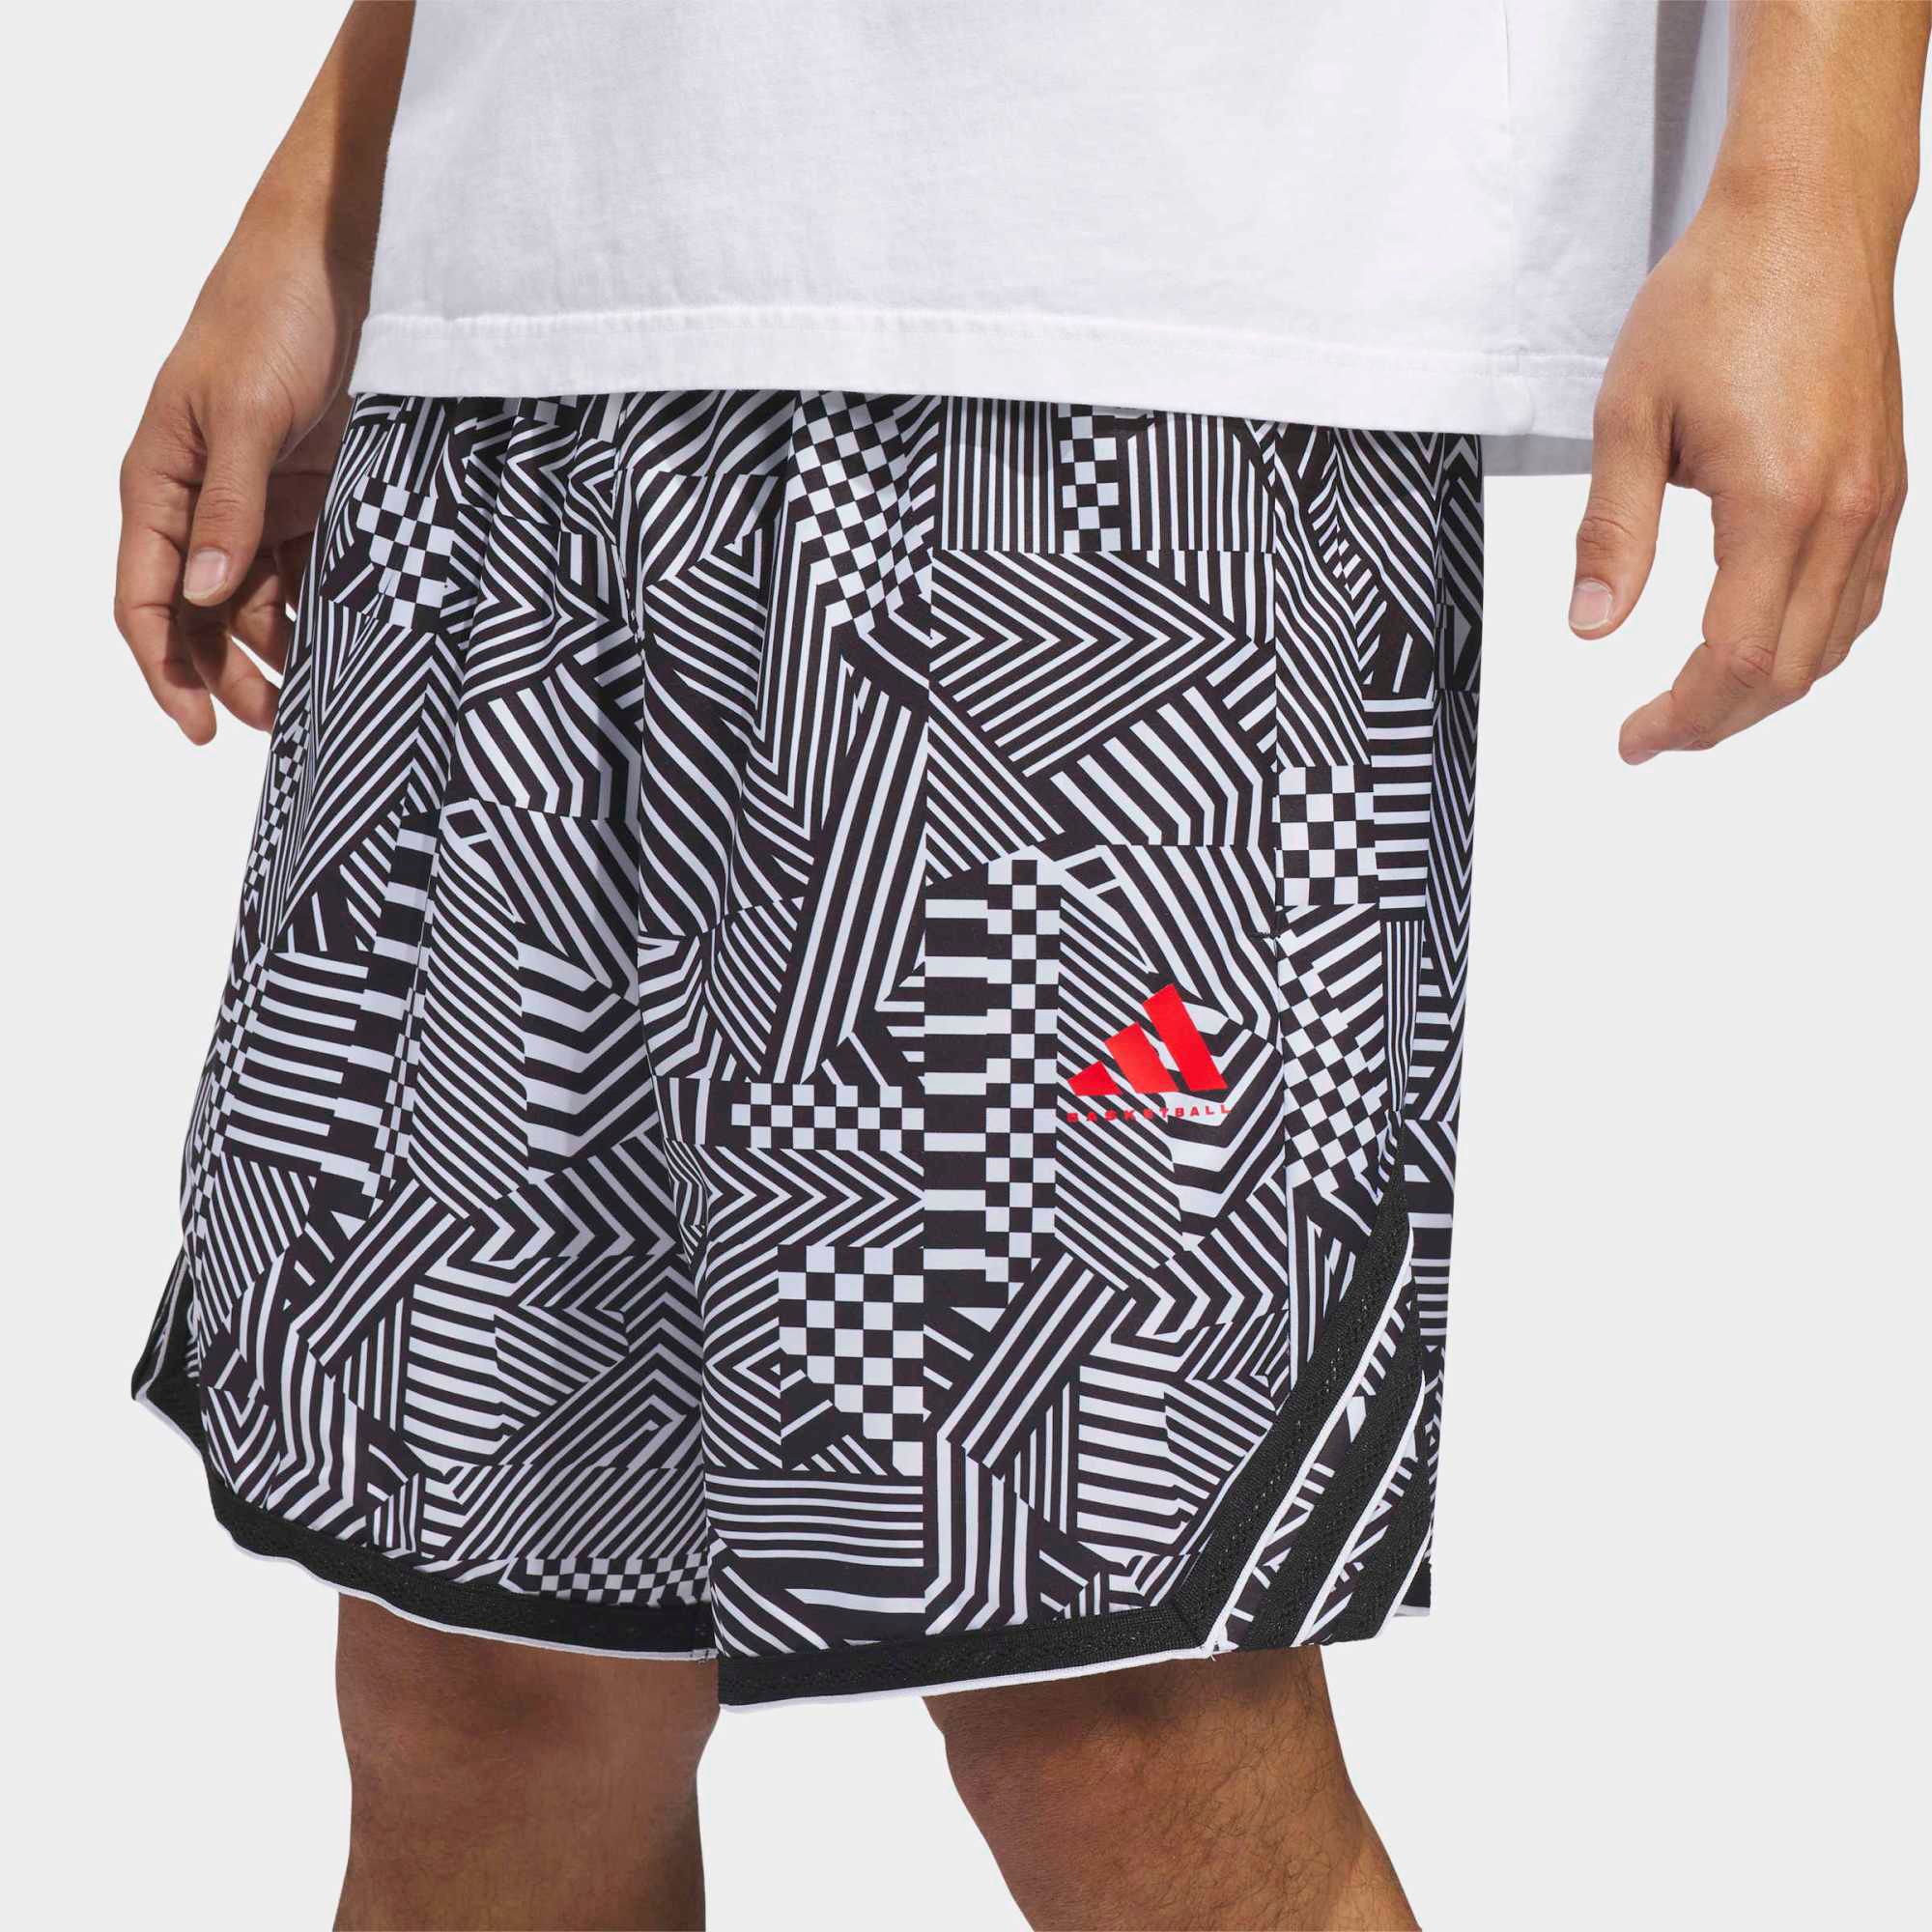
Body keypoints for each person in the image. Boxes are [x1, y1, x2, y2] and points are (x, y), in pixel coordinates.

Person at [116, 4, 1925, 1926]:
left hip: (1130, 372)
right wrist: (333, 186)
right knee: (481, 1689)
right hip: (514, 327)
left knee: (1117, 1718)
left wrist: (1819, 186)